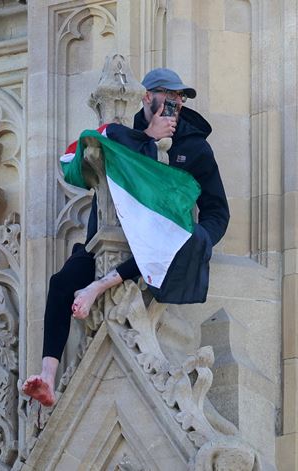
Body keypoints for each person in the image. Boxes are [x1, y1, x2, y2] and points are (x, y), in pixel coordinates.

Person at [22, 68, 230, 407]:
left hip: (159, 247)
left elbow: (218, 211)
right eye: (168, 94)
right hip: (105, 242)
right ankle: (47, 376)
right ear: (147, 97)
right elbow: (83, 152)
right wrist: (149, 136)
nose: (176, 102)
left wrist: (198, 240)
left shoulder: (195, 149)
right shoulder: (121, 133)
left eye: (181, 96)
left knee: (163, 247)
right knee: (61, 282)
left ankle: (98, 287)